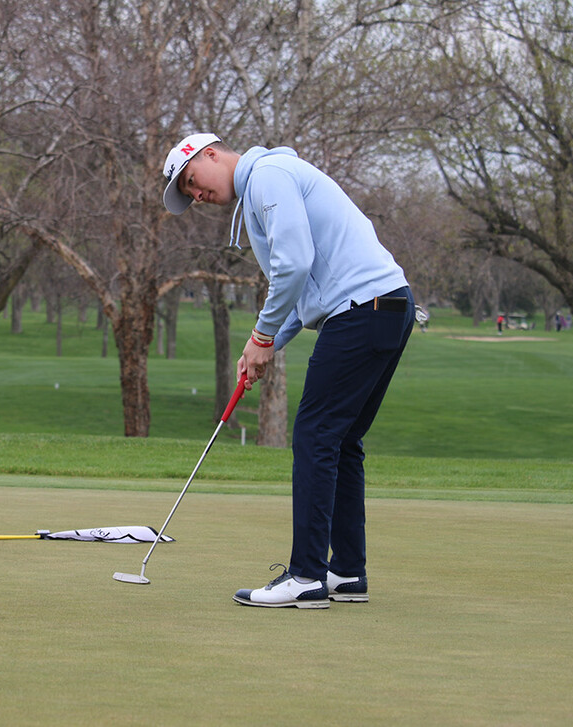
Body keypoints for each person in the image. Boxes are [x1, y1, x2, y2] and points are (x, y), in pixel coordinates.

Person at [162, 133, 414, 608]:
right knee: (340, 441)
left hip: (361, 310)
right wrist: (265, 344)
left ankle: (305, 576)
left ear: (210, 154)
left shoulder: (267, 177)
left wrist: (260, 338)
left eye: (192, 181)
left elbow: (293, 265)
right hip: (387, 307)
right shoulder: (271, 179)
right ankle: (346, 572)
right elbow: (305, 291)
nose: (196, 196)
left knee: (315, 436)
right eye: (189, 194)